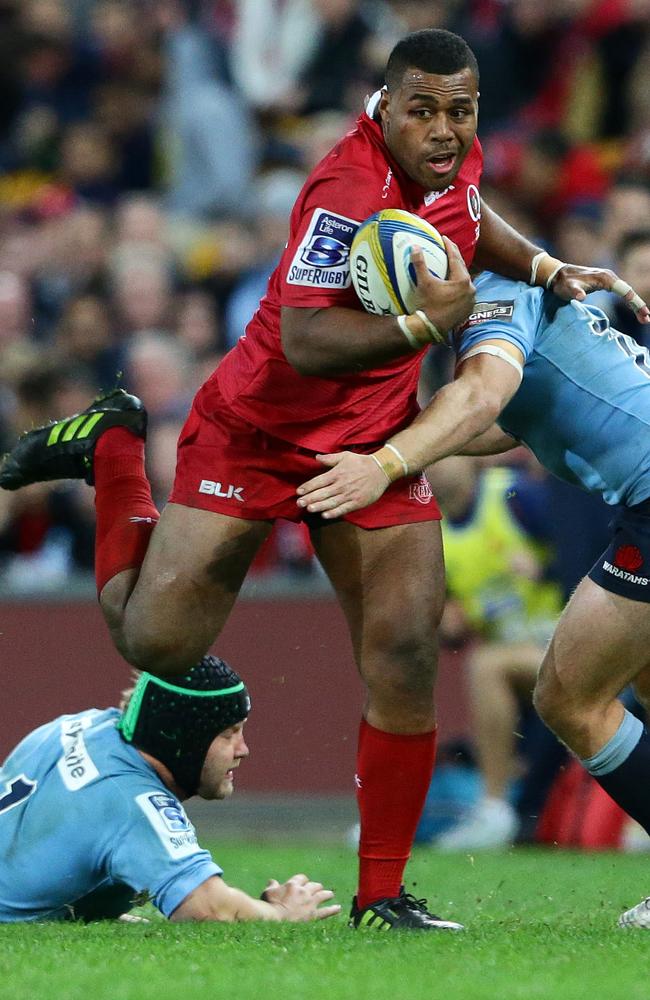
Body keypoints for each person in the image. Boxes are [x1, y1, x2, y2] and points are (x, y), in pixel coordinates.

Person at [0, 28, 646, 932]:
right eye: (424, 110)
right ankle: (113, 447)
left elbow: (468, 211)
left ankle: (381, 898)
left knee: (408, 655)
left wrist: (540, 264)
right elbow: (307, 340)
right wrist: (428, 329)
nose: (447, 130)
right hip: (257, 434)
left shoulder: (450, 154)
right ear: (386, 107)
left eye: (461, 112)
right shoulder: (345, 188)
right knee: (156, 643)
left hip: (373, 438)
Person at [295, 269, 650, 926]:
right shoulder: (507, 297)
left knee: (570, 697)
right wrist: (401, 437)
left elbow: (484, 401)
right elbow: (508, 421)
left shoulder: (493, 296)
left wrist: (383, 463)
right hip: (640, 494)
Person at [0, 654, 340, 924]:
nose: (243, 750)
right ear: (182, 739)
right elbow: (209, 908)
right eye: (228, 733)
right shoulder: (132, 803)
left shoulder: (79, 725)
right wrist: (282, 914)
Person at [425, 457, 562, 850]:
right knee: (487, 662)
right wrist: (447, 624)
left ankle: (494, 807)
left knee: (486, 665)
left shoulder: (515, 494)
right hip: (521, 667)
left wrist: (547, 569)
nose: (439, 464)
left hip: (568, 640)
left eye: (447, 451)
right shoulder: (432, 534)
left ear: (471, 456)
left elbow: (587, 548)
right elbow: (450, 627)